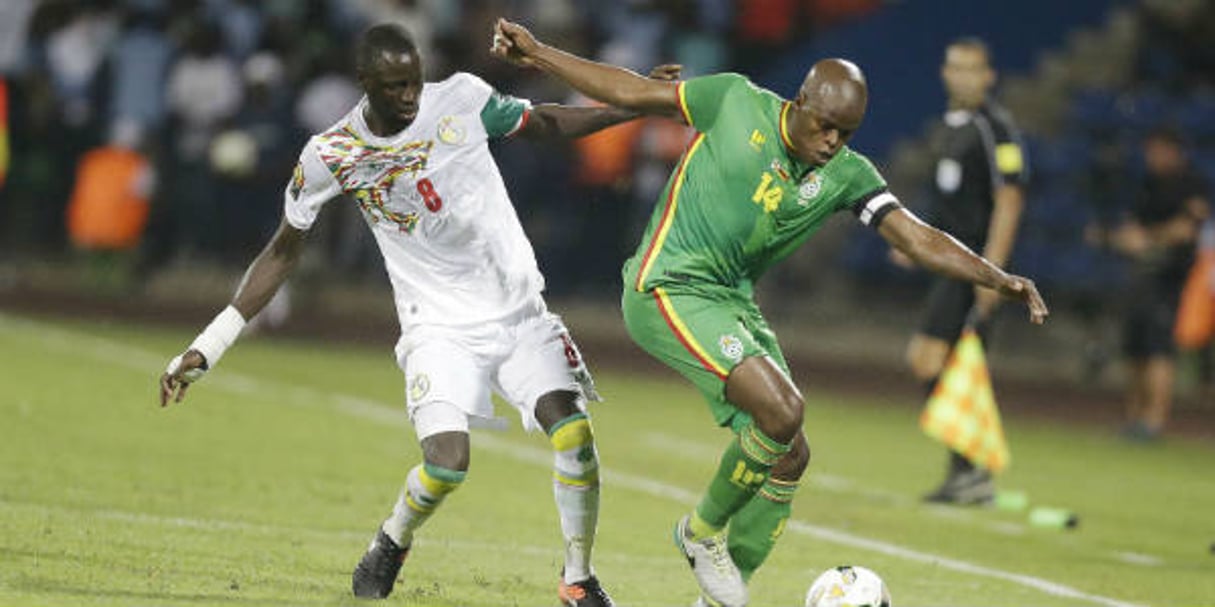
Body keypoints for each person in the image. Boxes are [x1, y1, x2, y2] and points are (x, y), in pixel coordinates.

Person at [491, 19, 1048, 607]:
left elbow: (915, 237)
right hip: (668, 287)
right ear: (800, 102)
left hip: (730, 302)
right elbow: (631, 91)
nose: (833, 140)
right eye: (826, 125)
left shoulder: (847, 175)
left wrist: (997, 275)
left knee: (790, 455)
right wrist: (540, 53)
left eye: (847, 132)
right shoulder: (734, 100)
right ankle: (700, 532)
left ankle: (717, 602)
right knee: (783, 412)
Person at [159, 23, 676, 606]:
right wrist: (210, 343)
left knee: (575, 433)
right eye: (396, 86)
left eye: (415, 81)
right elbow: (282, 251)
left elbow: (544, 123)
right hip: (437, 328)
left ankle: (578, 580)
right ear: (365, 84)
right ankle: (393, 537)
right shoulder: (332, 154)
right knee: (448, 464)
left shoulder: (459, 97)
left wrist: (630, 106)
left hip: (519, 312)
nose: (411, 96)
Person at [889, 38, 1028, 505]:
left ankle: (971, 472)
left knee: (936, 362)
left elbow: (1009, 200)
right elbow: (951, 207)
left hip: (975, 271)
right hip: (953, 268)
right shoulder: (952, 128)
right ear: (945, 73)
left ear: (989, 76)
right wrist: (917, 248)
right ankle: (968, 472)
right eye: (955, 67)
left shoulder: (995, 128)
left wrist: (993, 273)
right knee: (937, 363)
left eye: (972, 69)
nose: (962, 76)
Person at [1094, 127, 1209, 441]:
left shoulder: (1191, 184)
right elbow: (1133, 226)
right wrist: (1125, 238)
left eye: (1159, 150)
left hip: (1172, 278)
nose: (1153, 157)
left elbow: (1187, 230)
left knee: (1159, 348)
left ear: (1175, 151)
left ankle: (1154, 421)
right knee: (1135, 348)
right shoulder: (1148, 183)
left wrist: (1147, 239)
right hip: (1141, 277)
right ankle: (1134, 418)